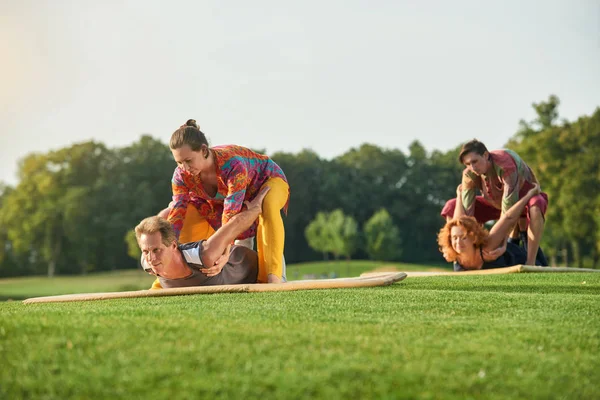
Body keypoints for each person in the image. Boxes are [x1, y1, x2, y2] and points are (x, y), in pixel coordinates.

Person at [165, 119, 290, 284]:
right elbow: (177, 212)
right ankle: (243, 275)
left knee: (267, 205)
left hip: (266, 180)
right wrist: (166, 248)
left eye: (188, 161)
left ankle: (274, 278)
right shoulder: (181, 175)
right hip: (235, 199)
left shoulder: (232, 164)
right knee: (192, 210)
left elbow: (231, 214)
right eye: (179, 162)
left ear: (203, 150)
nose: (184, 168)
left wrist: (223, 253)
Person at [440, 139, 548, 266]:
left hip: (523, 202)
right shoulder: (469, 174)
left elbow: (509, 213)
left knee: (535, 206)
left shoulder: (505, 166)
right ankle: (459, 259)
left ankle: (530, 262)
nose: (472, 167)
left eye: (475, 161)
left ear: (486, 155)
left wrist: (503, 244)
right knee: (452, 205)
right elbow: (466, 217)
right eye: (467, 164)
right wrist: (459, 247)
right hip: (494, 203)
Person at [136, 187, 271, 289]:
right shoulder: (147, 262)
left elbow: (235, 225)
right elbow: (156, 227)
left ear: (173, 246)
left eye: (156, 250)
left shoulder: (203, 255)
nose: (151, 258)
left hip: (246, 264)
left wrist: (256, 208)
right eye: (146, 251)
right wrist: (170, 208)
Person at [438, 184, 547, 270]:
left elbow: (508, 218)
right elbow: (458, 222)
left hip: (519, 257)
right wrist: (459, 195)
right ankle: (518, 230)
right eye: (454, 238)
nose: (458, 243)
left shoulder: (487, 248)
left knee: (543, 268)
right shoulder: (453, 254)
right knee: (451, 208)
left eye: (464, 237)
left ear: (473, 238)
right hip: (508, 249)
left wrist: (528, 195)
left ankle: (522, 228)